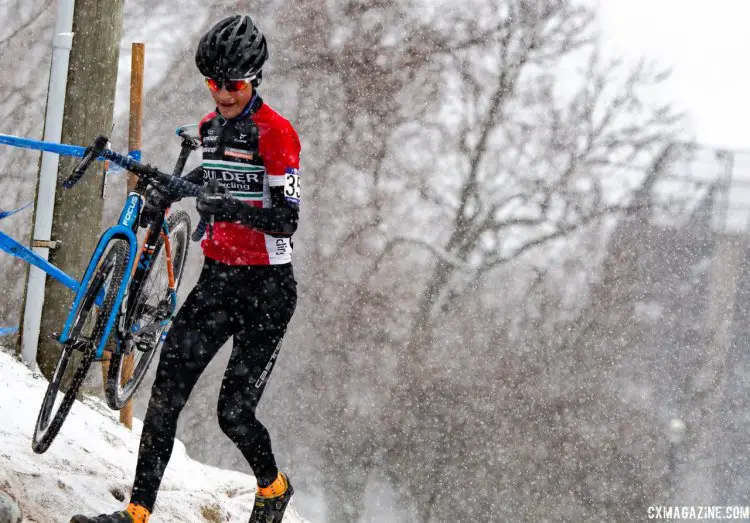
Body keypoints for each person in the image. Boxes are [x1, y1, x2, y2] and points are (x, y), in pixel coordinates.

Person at [71, 14, 301, 523]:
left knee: (235, 414)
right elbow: (209, 176)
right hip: (216, 281)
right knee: (165, 396)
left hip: (267, 291)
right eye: (213, 83)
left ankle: (274, 487)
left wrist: (228, 205)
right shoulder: (209, 129)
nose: (221, 93)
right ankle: (136, 512)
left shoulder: (277, 134)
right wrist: (177, 191)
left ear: (254, 79)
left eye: (232, 84)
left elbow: (287, 220)